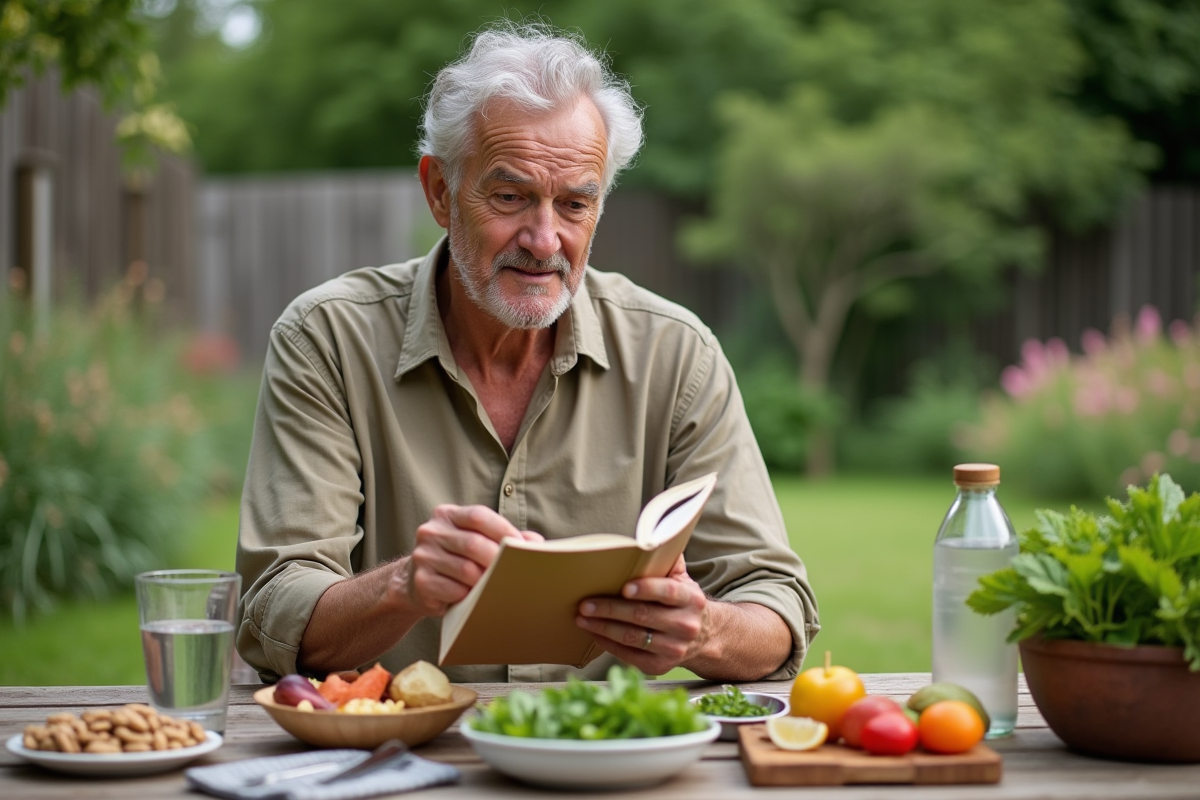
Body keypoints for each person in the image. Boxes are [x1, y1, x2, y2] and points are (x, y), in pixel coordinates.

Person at [235, 24, 819, 684]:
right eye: (510, 197)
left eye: (575, 203)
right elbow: (273, 612)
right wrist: (402, 587)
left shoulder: (676, 355)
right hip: (402, 765)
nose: (545, 241)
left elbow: (776, 607)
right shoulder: (327, 340)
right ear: (439, 191)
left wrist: (702, 630)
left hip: (602, 769)